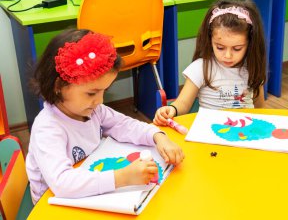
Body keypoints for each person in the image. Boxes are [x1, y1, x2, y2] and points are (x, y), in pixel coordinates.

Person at [26, 29, 184, 204]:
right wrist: (121, 177)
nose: (99, 101)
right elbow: (62, 184)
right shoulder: (47, 128)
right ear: (58, 86)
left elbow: (124, 125)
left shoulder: (92, 109)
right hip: (53, 205)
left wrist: (158, 137)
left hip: (89, 187)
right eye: (91, 93)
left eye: (104, 91)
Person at [154, 0, 266, 126]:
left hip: (245, 131)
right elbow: (183, 103)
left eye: (237, 49)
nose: (228, 55)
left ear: (250, 43)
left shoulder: (252, 67)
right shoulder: (201, 68)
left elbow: (261, 108)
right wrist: (172, 109)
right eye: (220, 47)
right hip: (211, 130)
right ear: (210, 40)